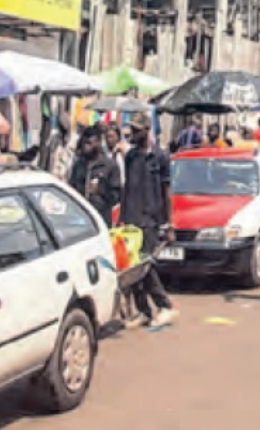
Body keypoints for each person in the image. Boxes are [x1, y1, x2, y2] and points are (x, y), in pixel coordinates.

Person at [119, 112, 179, 328]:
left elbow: (167, 190)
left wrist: (169, 223)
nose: (131, 134)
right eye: (131, 130)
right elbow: (127, 189)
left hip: (151, 220)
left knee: (145, 265)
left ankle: (165, 306)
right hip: (132, 219)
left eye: (136, 130)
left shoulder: (160, 157)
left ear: (146, 131)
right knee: (132, 268)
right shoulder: (131, 157)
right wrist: (122, 218)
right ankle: (143, 310)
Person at [69, 127, 122, 227]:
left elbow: (116, 197)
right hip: (80, 220)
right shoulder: (79, 165)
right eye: (84, 143)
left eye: (89, 143)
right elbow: (71, 188)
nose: (85, 147)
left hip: (100, 221)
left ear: (98, 142)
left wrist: (100, 189)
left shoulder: (110, 166)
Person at [105, 122, 126, 186]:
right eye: (107, 137)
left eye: (111, 137)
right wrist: (114, 155)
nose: (109, 140)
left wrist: (123, 154)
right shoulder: (103, 151)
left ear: (118, 137)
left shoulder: (124, 149)